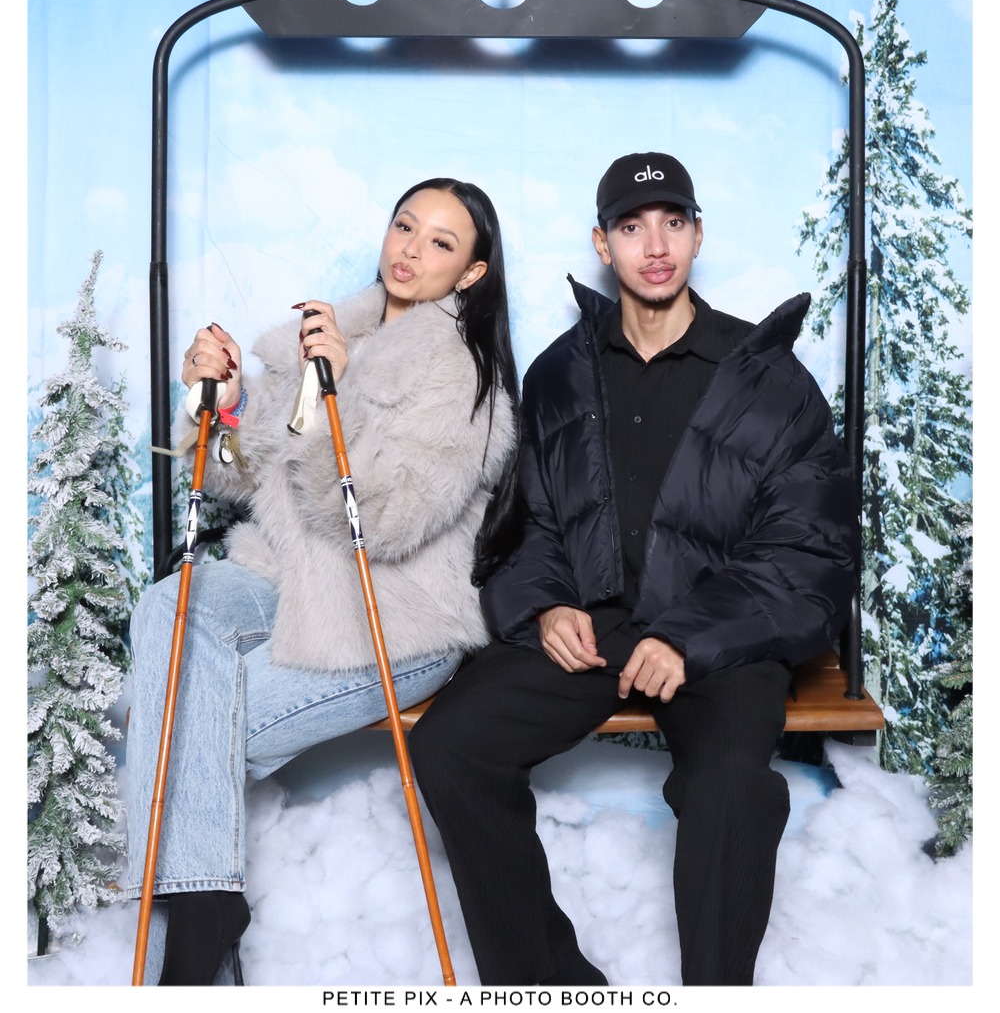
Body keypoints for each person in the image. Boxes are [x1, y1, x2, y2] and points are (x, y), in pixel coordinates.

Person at [410, 152, 860, 987]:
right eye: (631, 226)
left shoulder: (769, 381)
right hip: (598, 626)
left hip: (723, 633)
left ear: (697, 236)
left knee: (730, 789)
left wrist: (690, 637)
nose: (656, 246)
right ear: (602, 244)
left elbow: (809, 553)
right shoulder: (561, 372)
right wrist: (547, 605)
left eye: (673, 223)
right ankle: (550, 989)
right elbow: (529, 521)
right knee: (451, 746)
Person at [124, 178, 519, 985]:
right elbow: (238, 478)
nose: (411, 249)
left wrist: (336, 391)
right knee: (172, 603)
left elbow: (380, 520)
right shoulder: (331, 335)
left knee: (189, 720)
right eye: (405, 226)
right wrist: (222, 405)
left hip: (394, 623)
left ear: (473, 272)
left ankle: (197, 928)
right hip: (285, 585)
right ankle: (209, 906)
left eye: (441, 242)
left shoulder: (464, 380)